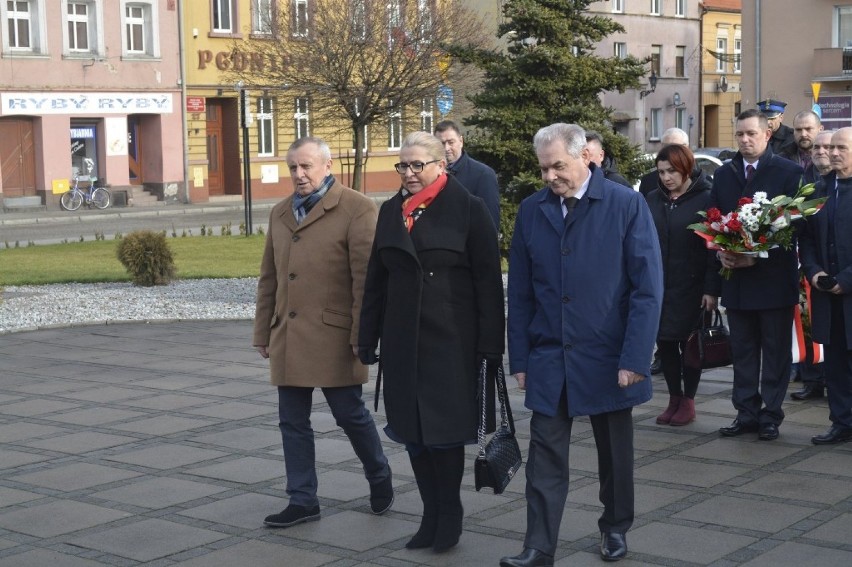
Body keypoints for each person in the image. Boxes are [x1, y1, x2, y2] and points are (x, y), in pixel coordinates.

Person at [501, 123, 663, 567]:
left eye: (558, 166)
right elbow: (521, 293)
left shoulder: (626, 205)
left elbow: (647, 289)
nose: (550, 176)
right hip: (551, 356)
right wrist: (521, 358)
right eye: (543, 168)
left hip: (609, 355)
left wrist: (635, 357)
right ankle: (539, 546)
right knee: (545, 456)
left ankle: (615, 526)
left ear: (586, 158)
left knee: (614, 454)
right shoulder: (533, 210)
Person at [358, 131, 505, 552]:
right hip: (403, 343)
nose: (408, 173)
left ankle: (450, 515)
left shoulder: (469, 209)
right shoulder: (390, 212)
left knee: (443, 435)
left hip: (452, 343)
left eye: (417, 165)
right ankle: (429, 515)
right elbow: (376, 281)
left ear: (441, 164)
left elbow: (488, 284)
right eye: (402, 165)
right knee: (414, 436)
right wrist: (366, 337)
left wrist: (491, 348)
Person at [254, 137, 393, 528]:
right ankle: (302, 499)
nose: (299, 175)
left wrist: (363, 334)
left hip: (336, 334)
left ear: (328, 165)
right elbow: (270, 276)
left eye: (306, 166)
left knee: (350, 415)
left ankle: (379, 477)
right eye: (293, 167)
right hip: (288, 333)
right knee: (291, 420)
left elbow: (366, 279)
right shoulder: (280, 212)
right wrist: (262, 329)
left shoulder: (356, 208)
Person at [712, 109, 803, 441]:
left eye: (751, 134)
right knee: (743, 351)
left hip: (773, 282)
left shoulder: (789, 173)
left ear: (767, 134)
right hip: (735, 281)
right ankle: (746, 412)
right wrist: (721, 250)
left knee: (774, 351)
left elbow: (796, 230)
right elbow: (714, 222)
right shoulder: (725, 174)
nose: (745, 140)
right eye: (740, 135)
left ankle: (770, 415)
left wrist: (757, 258)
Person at [646, 145, 720, 426]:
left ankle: (688, 400)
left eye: (672, 171)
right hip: (659, 285)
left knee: (690, 345)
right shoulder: (653, 198)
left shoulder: (706, 198)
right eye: (661, 172)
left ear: (686, 168)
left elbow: (714, 247)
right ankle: (673, 398)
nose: (666, 178)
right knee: (665, 343)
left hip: (693, 287)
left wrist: (711, 289)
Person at [799, 126, 852, 444]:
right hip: (826, 294)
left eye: (841, 148)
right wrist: (814, 272)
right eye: (831, 148)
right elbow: (806, 239)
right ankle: (842, 421)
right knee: (835, 363)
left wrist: (845, 281)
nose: (832, 153)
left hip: (847, 291)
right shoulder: (818, 189)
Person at [790, 129, 833, 401]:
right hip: (809, 269)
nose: (821, 152)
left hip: (839, 272)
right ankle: (813, 380)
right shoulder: (805, 181)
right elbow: (802, 231)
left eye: (827, 147)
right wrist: (812, 267)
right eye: (816, 148)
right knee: (808, 324)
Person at [434, 120, 501, 228]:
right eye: (441, 143)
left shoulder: (483, 174)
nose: (446, 148)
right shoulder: (430, 173)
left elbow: (490, 222)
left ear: (461, 141)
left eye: (451, 142)